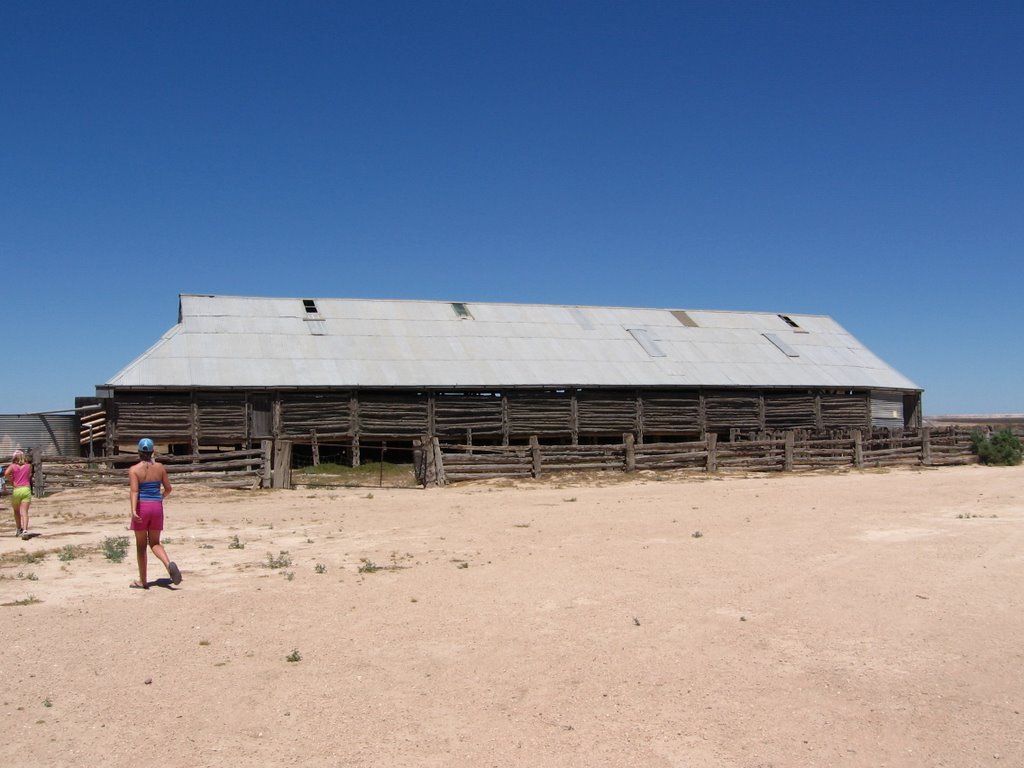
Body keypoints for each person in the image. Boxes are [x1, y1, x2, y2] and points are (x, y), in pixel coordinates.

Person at [128, 438, 181, 589]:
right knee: (155, 542)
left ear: (139, 452)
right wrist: (160, 498)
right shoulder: (160, 468)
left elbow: (134, 491)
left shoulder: (134, 470)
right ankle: (168, 563)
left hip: (142, 507)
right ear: (152, 452)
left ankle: (143, 581)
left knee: (141, 545)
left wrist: (133, 510)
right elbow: (169, 488)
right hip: (156, 506)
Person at [5, 449, 33, 539]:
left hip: (17, 490)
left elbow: (6, 473)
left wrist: (12, 481)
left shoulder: (12, 466)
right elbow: (29, 475)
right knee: (24, 512)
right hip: (26, 489)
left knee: (16, 511)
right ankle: (25, 530)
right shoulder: (29, 466)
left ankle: (18, 529)